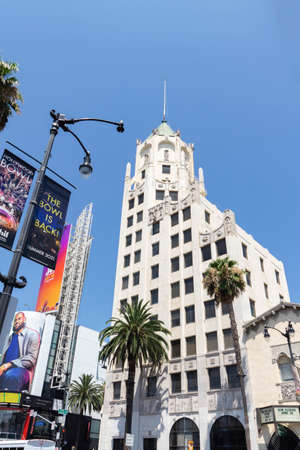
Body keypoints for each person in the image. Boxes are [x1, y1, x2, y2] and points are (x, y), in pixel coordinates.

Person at [0, 312, 40, 391]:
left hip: (21, 369)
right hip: (4, 368)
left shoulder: (32, 334)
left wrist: (8, 365)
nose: (16, 322)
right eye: (15, 320)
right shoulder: (11, 337)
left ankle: (8, 401)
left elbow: (31, 359)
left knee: (11, 376)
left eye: (19, 319)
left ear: (24, 320)